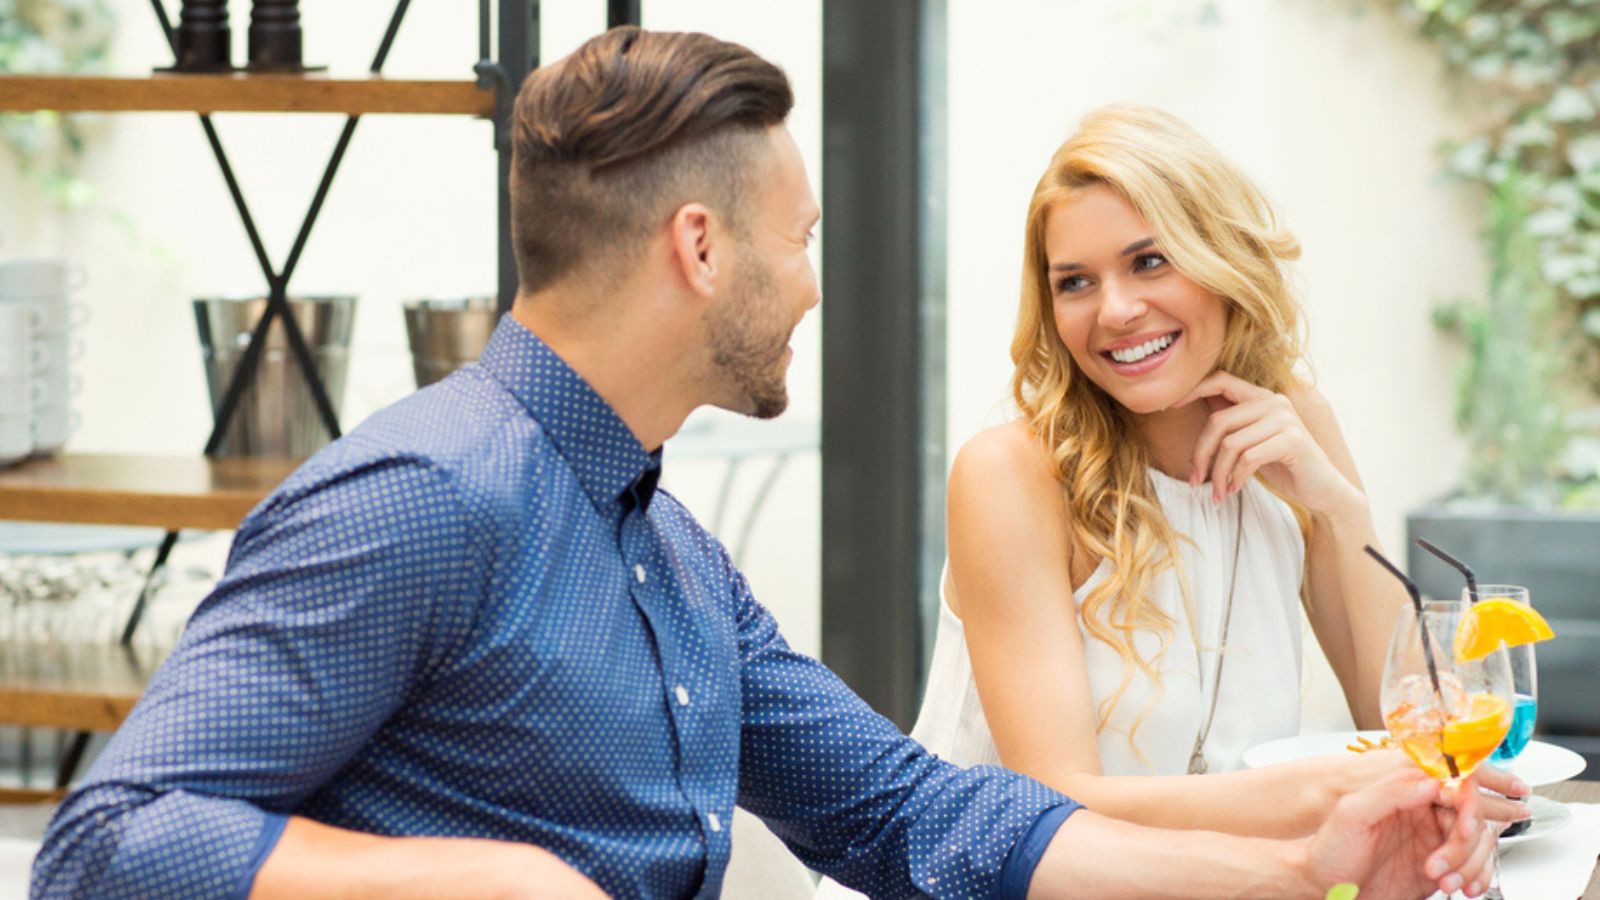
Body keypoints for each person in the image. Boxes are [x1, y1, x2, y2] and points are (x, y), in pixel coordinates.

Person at [34, 33, 1493, 900]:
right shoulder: (427, 496)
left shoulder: (667, 554)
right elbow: (103, 845)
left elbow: (917, 816)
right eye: (799, 242)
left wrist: (1302, 869)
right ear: (699, 248)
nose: (812, 285)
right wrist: (503, 883)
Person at [821, 101, 1528, 900]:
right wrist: (1332, 792)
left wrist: (1337, 507)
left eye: (1149, 261)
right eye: (1075, 282)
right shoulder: (1011, 474)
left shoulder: (1295, 424)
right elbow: (1052, 810)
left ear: (1221, 258)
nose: (1116, 311)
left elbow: (1398, 719)